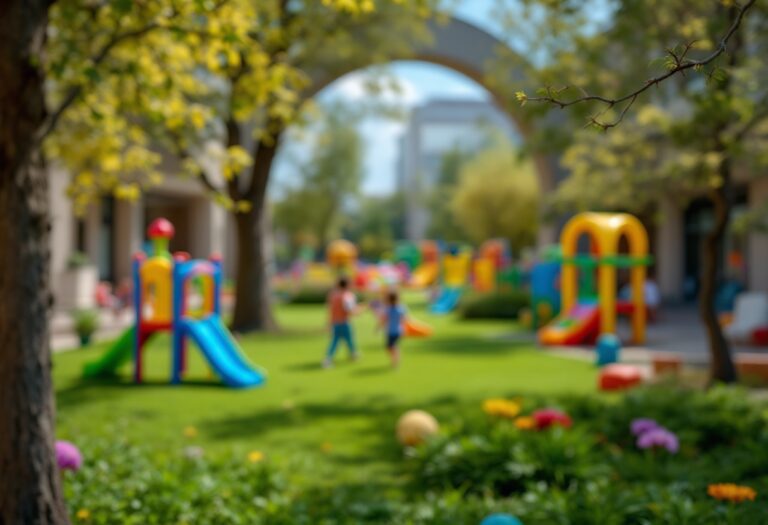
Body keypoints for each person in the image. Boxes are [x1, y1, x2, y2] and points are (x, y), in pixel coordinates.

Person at [323, 277, 360, 368]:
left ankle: (329, 358)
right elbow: (351, 311)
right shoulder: (347, 296)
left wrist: (329, 323)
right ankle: (353, 354)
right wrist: (360, 308)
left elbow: (330, 310)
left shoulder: (333, 296)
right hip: (344, 322)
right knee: (348, 340)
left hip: (335, 322)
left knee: (338, 340)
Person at [379, 290, 406, 368]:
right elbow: (404, 319)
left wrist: (379, 327)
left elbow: (384, 319)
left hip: (393, 331)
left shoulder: (393, 309)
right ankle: (395, 358)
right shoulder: (397, 308)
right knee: (389, 347)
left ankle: (395, 361)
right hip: (396, 331)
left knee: (392, 346)